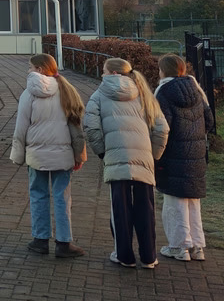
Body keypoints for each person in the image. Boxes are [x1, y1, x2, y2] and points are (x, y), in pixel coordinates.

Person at [83, 57, 169, 269]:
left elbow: (91, 126)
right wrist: (154, 155)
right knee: (146, 207)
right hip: (143, 158)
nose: (101, 74)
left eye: (103, 70)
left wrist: (103, 152)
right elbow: (162, 129)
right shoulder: (145, 94)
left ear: (112, 73)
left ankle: (124, 255)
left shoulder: (98, 95)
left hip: (116, 157)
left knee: (119, 209)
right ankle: (149, 257)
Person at [10, 53, 88, 258]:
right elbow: (76, 129)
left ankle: (40, 240)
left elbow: (21, 128)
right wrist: (79, 155)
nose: (28, 71)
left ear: (41, 69)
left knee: (38, 195)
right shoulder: (67, 91)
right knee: (63, 198)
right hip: (63, 155)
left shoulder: (28, 94)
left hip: (36, 155)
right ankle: (64, 243)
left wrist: (18, 155)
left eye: (30, 67)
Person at [154, 54, 214, 263]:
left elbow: (162, 125)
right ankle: (198, 247)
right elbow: (209, 120)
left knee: (174, 202)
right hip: (196, 153)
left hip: (173, 154)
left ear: (165, 71)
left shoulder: (163, 92)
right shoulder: (196, 89)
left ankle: (179, 247)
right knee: (193, 200)